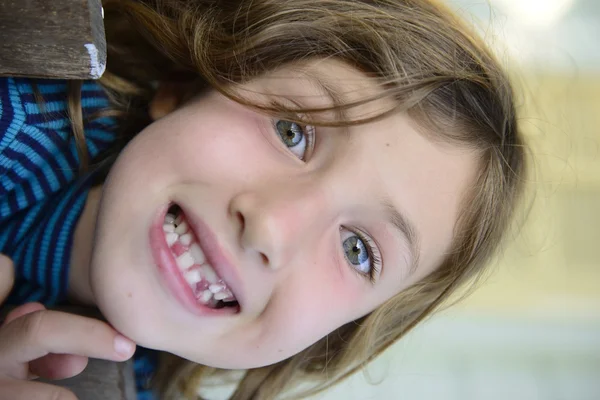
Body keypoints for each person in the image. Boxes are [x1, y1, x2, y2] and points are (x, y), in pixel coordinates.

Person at [0, 0, 528, 399]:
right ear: (184, 90)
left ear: (335, 335)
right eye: (292, 131)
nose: (273, 226)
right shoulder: (17, 112)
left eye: (357, 250)